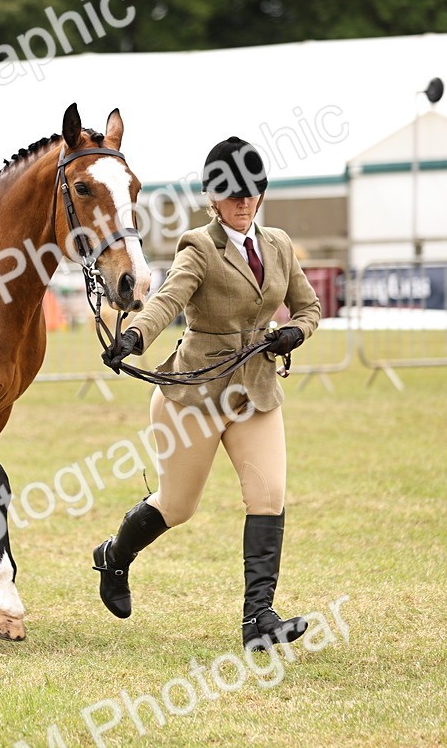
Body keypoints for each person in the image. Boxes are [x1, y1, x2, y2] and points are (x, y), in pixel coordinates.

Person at [93, 136, 321, 650]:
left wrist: (294, 333)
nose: (244, 203)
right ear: (212, 198)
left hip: (255, 390)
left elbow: (309, 308)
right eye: (232, 194)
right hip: (195, 394)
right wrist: (132, 337)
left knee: (269, 496)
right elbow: (167, 299)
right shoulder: (199, 246)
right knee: (178, 505)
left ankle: (257, 620)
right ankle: (114, 555)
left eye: (252, 193)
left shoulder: (279, 245)